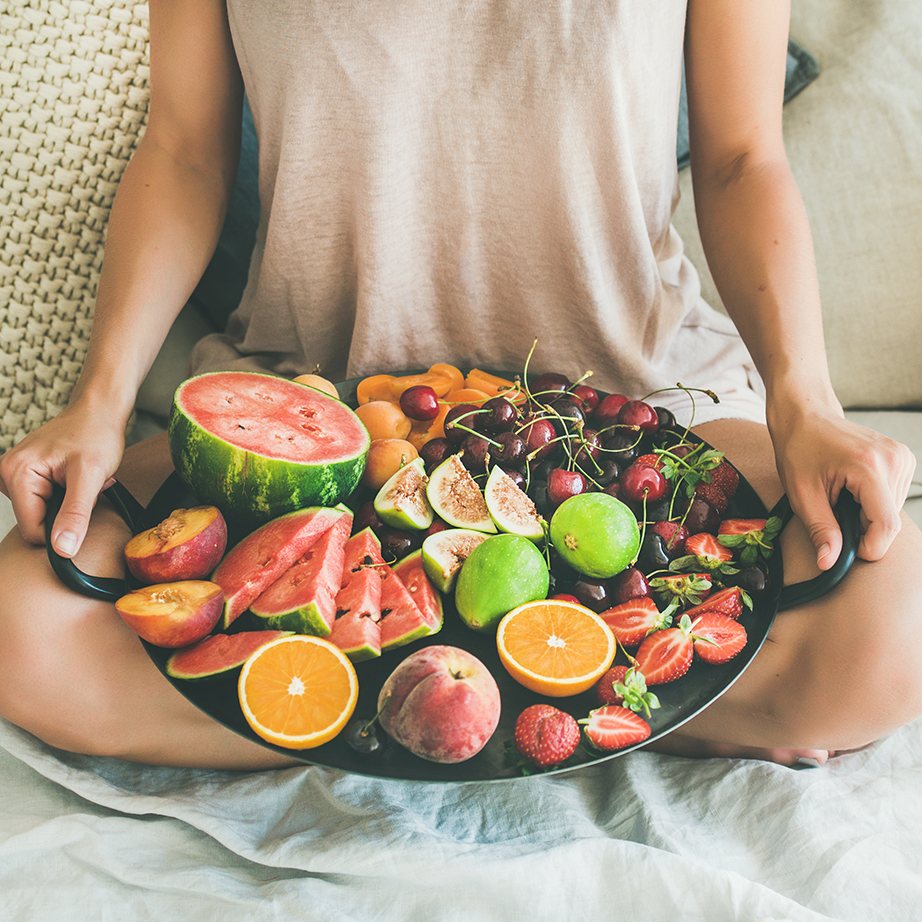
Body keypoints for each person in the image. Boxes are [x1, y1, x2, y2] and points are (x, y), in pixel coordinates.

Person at [0, 0, 919, 770]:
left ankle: (337, 709)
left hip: (637, 401)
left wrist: (807, 405)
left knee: (895, 627)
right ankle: (593, 710)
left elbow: (740, 159)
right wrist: (100, 403)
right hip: (316, 408)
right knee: (21, 630)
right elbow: (184, 152)